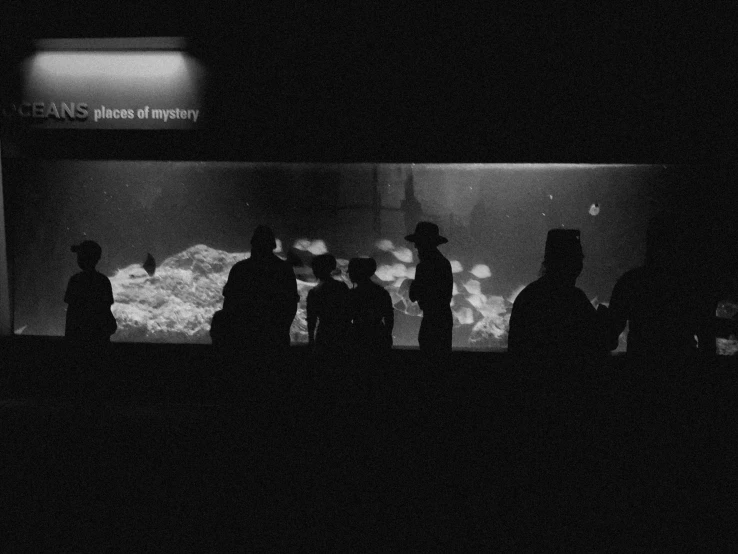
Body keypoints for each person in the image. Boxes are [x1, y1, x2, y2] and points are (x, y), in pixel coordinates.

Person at [606, 216, 710, 360]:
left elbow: (609, 339)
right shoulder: (691, 285)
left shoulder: (631, 281)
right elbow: (707, 340)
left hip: (640, 369)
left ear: (649, 242)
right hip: (683, 371)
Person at [507, 229, 609, 361]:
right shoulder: (575, 300)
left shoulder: (527, 297)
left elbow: (516, 349)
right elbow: (601, 343)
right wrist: (604, 319)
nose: (580, 263)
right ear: (575, 263)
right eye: (578, 257)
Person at [221, 225, 299, 360]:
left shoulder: (240, 269)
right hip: (276, 340)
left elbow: (229, 305)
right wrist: (282, 329)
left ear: (252, 243)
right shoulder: (284, 269)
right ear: (273, 245)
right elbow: (291, 304)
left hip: (245, 340)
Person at [63, 240, 117, 413]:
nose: (77, 258)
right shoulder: (103, 281)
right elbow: (106, 312)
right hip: (99, 343)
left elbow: (71, 314)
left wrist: (69, 340)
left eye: (79, 255)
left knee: (79, 389)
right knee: (98, 388)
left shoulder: (75, 281)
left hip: (78, 342)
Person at [405, 222, 454, 361]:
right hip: (444, 318)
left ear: (425, 243)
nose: (415, 247)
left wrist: (411, 284)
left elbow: (414, 296)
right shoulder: (444, 263)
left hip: (431, 320)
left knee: (429, 359)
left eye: (418, 243)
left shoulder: (424, 266)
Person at [348, 257, 394, 400]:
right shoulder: (381, 292)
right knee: (377, 380)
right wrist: (386, 336)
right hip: (378, 336)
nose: (348, 274)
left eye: (350, 271)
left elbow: (345, 318)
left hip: (358, 337)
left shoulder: (352, 294)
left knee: (359, 380)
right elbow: (389, 318)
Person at [306, 253, 351, 360]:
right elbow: (349, 311)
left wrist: (311, 340)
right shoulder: (341, 287)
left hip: (324, 335)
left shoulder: (314, 292)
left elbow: (311, 319)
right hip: (342, 334)